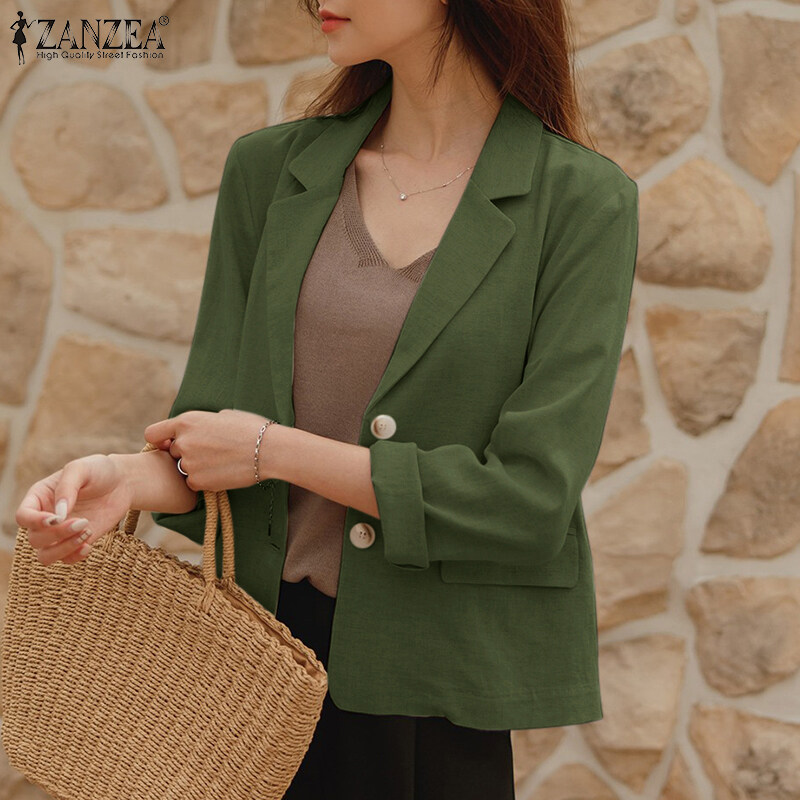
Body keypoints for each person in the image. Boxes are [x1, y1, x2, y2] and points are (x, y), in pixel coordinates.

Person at [15, 0, 640, 797]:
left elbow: (527, 500)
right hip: (253, 683)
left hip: (429, 700)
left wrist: (272, 450)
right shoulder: (272, 172)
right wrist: (126, 477)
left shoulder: (582, 203)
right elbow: (216, 434)